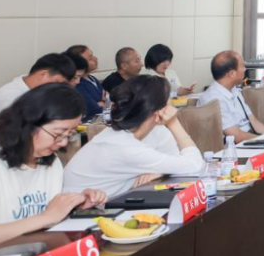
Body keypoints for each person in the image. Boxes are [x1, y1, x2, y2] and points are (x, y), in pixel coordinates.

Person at [0, 84, 107, 247]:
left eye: (70, 134)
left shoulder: (50, 163)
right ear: (29, 123)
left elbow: (47, 219)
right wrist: (46, 218)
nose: (63, 142)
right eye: (58, 134)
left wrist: (72, 206)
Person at [63, 76, 204, 198]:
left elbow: (175, 158)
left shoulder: (122, 133)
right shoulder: (124, 147)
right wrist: (173, 123)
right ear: (158, 111)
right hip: (81, 213)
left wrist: (161, 170)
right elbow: (195, 165)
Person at [0, 53, 76, 131]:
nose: (58, 87)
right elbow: (21, 132)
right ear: (43, 74)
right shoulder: (11, 96)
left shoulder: (34, 89)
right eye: (57, 82)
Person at [197, 51, 264, 142]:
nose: (245, 69)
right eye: (242, 66)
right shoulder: (213, 99)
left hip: (251, 139)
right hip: (235, 146)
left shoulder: (234, 90)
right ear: (232, 73)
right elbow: (236, 136)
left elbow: (254, 121)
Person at [68, 45, 106, 123]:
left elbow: (108, 99)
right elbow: (94, 110)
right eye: (90, 58)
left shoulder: (92, 78)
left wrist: (102, 102)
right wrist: (103, 102)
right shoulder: (78, 85)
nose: (95, 58)